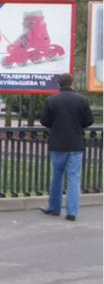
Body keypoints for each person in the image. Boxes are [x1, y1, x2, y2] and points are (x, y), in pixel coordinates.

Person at [39, 73, 95, 221]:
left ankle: (54, 208)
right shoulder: (82, 100)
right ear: (72, 84)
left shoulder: (51, 100)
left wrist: (56, 126)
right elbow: (89, 120)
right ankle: (71, 212)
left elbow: (44, 120)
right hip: (76, 144)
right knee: (74, 178)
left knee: (57, 177)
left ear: (59, 85)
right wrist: (77, 126)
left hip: (57, 144)